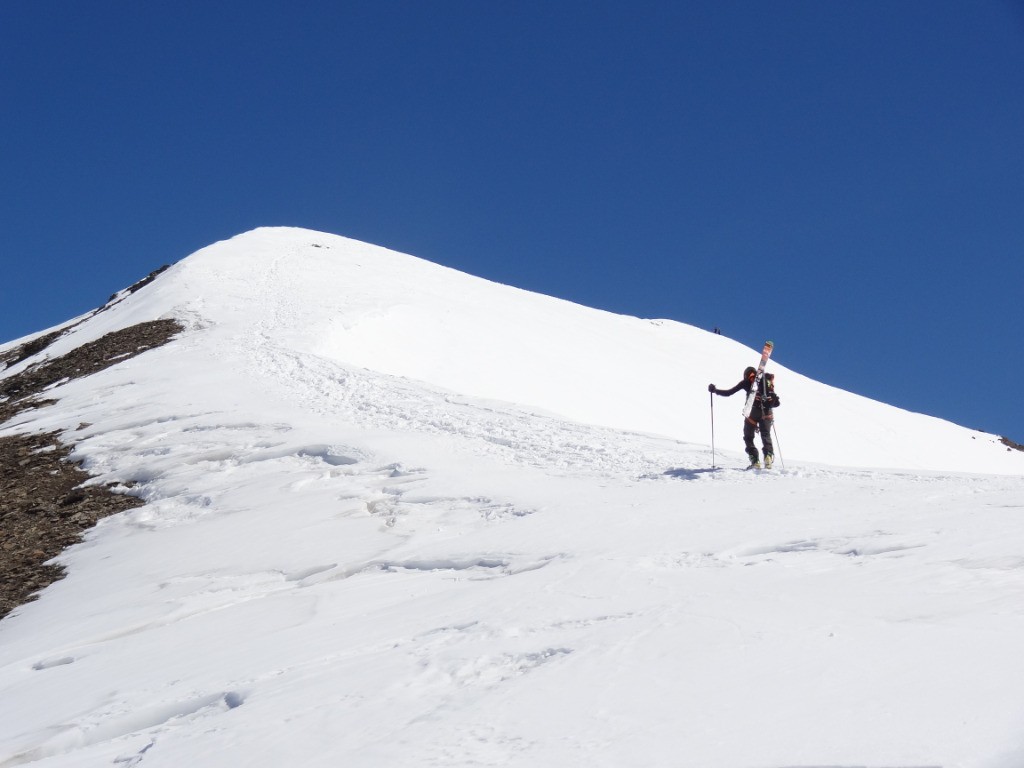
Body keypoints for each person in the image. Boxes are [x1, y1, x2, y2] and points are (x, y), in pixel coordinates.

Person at [708, 369, 781, 468]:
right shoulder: (766, 382)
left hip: (752, 412)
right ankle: (768, 456)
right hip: (767, 412)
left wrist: (715, 390)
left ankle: (755, 460)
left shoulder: (746, 382)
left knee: (748, 437)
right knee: (766, 434)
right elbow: (776, 402)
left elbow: (729, 392)